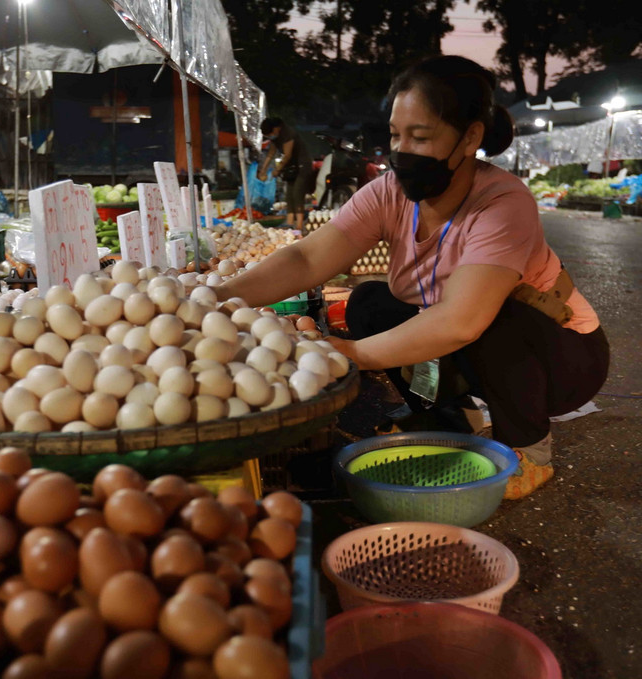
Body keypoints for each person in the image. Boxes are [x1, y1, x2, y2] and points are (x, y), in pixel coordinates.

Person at [217, 56, 609, 500]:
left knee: (493, 316)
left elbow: (462, 321)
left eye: (420, 137)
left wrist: (352, 354)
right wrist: (222, 295)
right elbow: (308, 259)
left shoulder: (502, 203)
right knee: (368, 301)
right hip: (473, 339)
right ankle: (444, 417)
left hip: (561, 357)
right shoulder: (390, 194)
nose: (401, 151)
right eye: (395, 135)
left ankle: (530, 450)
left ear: (470, 137)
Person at [257, 117, 315, 232]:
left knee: (297, 194)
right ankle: (289, 223)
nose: (270, 136)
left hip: (302, 166)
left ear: (276, 128)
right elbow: (270, 154)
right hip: (291, 169)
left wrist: (277, 169)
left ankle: (299, 225)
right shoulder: (275, 137)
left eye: (270, 134)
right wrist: (263, 170)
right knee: (289, 195)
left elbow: (287, 155)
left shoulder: (288, 134)